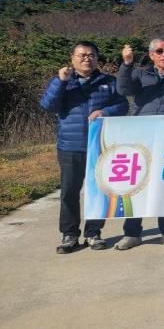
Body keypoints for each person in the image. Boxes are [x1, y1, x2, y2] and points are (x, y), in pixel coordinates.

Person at [40, 41, 128, 253]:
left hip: (100, 146)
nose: (86, 59)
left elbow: (123, 105)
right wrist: (60, 81)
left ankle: (93, 233)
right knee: (69, 192)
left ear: (97, 58)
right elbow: (48, 105)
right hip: (70, 147)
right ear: (72, 58)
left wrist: (105, 112)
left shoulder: (109, 82)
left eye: (91, 55)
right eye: (82, 55)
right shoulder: (63, 81)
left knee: (98, 192)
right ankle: (69, 234)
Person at [114, 37, 164, 250]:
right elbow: (123, 89)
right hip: (141, 137)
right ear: (152, 55)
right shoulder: (139, 74)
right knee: (137, 185)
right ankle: (132, 233)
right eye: (159, 51)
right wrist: (126, 64)